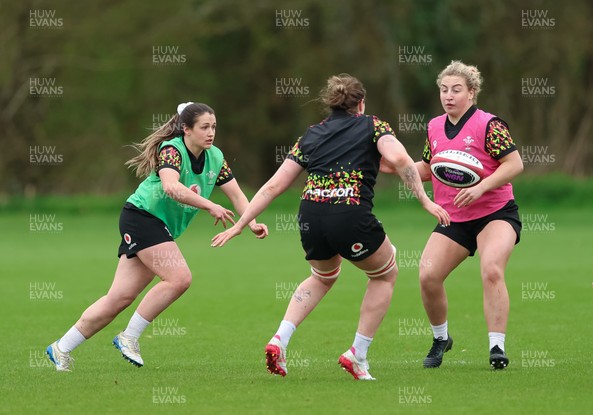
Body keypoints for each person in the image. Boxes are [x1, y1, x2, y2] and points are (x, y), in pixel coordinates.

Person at [211, 74, 450, 380]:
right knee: (385, 274)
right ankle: (358, 355)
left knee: (322, 277)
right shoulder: (373, 125)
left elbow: (273, 186)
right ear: (361, 103)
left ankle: (279, 339)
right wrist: (425, 201)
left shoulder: (311, 134)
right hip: (349, 215)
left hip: (311, 215)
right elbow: (401, 159)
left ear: (331, 104)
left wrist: (240, 225)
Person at [46, 102, 268, 371]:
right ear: (186, 129)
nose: (211, 133)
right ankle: (129, 337)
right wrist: (209, 204)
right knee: (179, 278)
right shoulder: (172, 150)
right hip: (142, 217)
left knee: (119, 298)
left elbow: (237, 195)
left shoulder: (215, 158)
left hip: (156, 226)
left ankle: (61, 348)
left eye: (214, 127)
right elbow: (171, 187)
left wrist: (251, 222)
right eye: (204, 127)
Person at [414, 61, 524, 370]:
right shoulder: (434, 126)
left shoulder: (490, 125)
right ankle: (441, 338)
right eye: (444, 90)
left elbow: (514, 164)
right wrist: (394, 164)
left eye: (456, 90)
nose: (448, 96)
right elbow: (427, 167)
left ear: (472, 93)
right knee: (428, 275)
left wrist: (482, 187)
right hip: (453, 217)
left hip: (496, 213)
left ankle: (496, 348)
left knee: (491, 270)